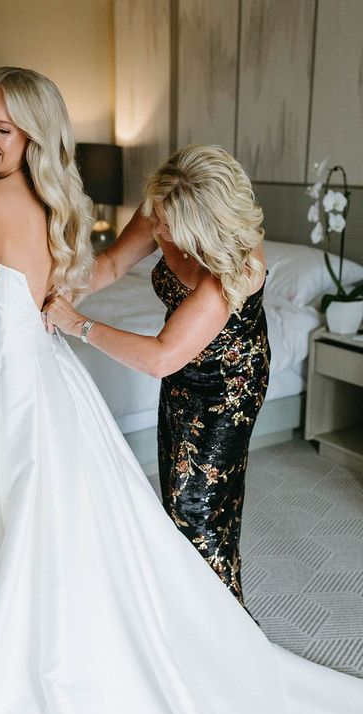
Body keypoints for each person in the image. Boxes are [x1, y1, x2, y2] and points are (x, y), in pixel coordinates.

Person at [0, 68, 363, 714]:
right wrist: (62, 294)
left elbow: (146, 352)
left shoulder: (230, 273)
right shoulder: (106, 203)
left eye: (3, 128)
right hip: (117, 377)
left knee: (193, 516)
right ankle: (178, 631)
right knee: (141, 516)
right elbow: (99, 271)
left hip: (194, 379)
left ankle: (210, 646)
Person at [46, 144, 269, 607]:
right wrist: (53, 293)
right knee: (176, 495)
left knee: (199, 511)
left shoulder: (238, 268)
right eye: (158, 218)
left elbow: (162, 357)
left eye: (170, 226)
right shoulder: (166, 204)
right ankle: (189, 614)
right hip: (184, 373)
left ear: (207, 225)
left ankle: (230, 629)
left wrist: (76, 325)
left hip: (229, 385)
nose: (158, 230)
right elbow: (109, 264)